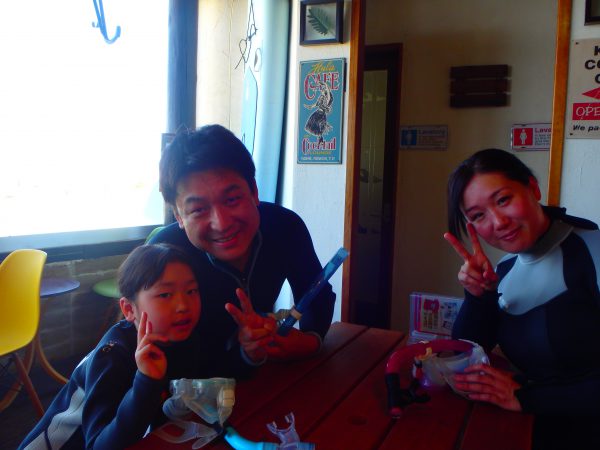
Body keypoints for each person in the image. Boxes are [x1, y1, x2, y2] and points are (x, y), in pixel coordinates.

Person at [443, 148, 600, 450]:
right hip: (526, 432)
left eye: (503, 200)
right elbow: (466, 350)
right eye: (478, 216)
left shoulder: (592, 252)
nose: (498, 221)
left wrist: (527, 397)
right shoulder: (505, 269)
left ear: (533, 188)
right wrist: (478, 296)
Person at [149, 124, 335, 372]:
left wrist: (311, 341)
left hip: (268, 378)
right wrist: (243, 355)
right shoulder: (164, 254)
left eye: (232, 199)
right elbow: (157, 351)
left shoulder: (285, 227)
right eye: (198, 209)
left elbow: (316, 293)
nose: (222, 224)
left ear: (254, 192)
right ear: (178, 216)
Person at [18, 244, 202, 450]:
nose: (184, 305)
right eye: (165, 294)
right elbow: (100, 446)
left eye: (191, 291)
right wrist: (147, 382)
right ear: (129, 309)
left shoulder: (180, 338)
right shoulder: (112, 356)